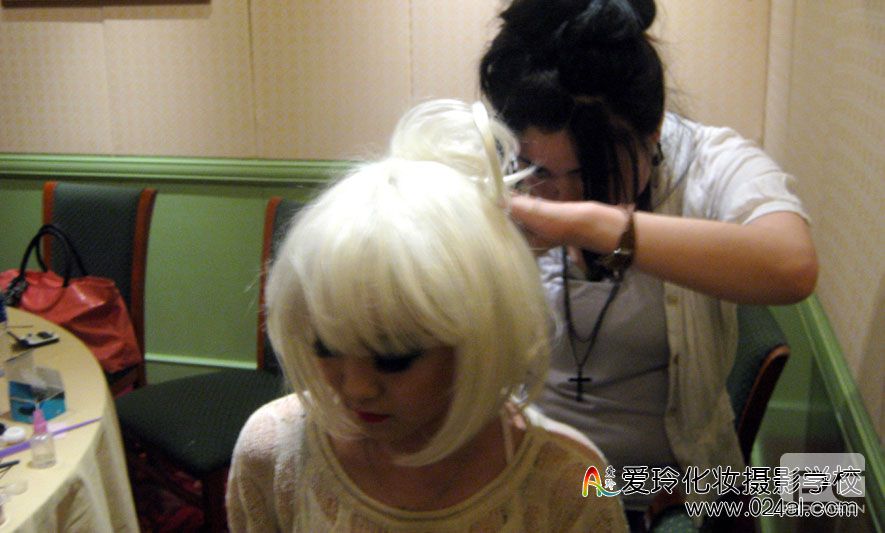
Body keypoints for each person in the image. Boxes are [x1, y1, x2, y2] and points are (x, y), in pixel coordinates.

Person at [479, 0, 818, 527]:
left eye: (593, 173)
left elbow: (792, 266)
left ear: (653, 129)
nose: (563, 197)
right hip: (529, 477)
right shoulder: (501, 164)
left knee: (829, 486)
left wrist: (594, 226)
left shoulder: (709, 163)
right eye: (538, 171)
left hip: (663, 489)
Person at [225, 99, 628, 532]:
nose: (357, 388)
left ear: (481, 336)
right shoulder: (273, 453)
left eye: (394, 358)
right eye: (326, 346)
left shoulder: (570, 484)